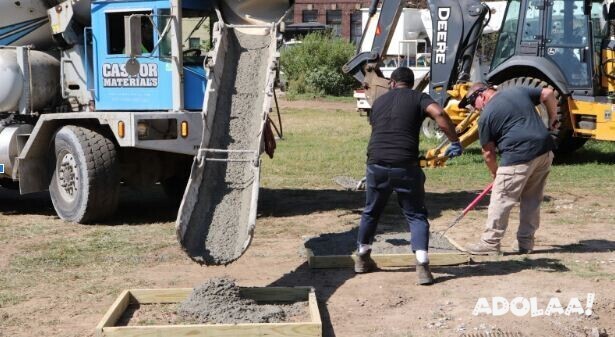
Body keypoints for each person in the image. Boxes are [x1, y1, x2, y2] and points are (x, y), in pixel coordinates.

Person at [355, 67, 463, 285]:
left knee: (371, 211)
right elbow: (439, 114)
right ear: (410, 84)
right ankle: (422, 266)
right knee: (415, 215)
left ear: (393, 83)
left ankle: (362, 258)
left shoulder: (379, 102)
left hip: (376, 163)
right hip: (406, 165)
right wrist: (454, 140)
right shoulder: (419, 97)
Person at [458, 82, 559, 255]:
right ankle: (525, 243)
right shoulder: (517, 91)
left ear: (481, 96)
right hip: (544, 150)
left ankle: (490, 243)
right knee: (532, 199)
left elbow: (488, 153)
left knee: (501, 198)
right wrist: (553, 118)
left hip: (518, 155)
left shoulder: (486, 116)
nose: (474, 109)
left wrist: (495, 174)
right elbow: (548, 93)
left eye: (472, 104)